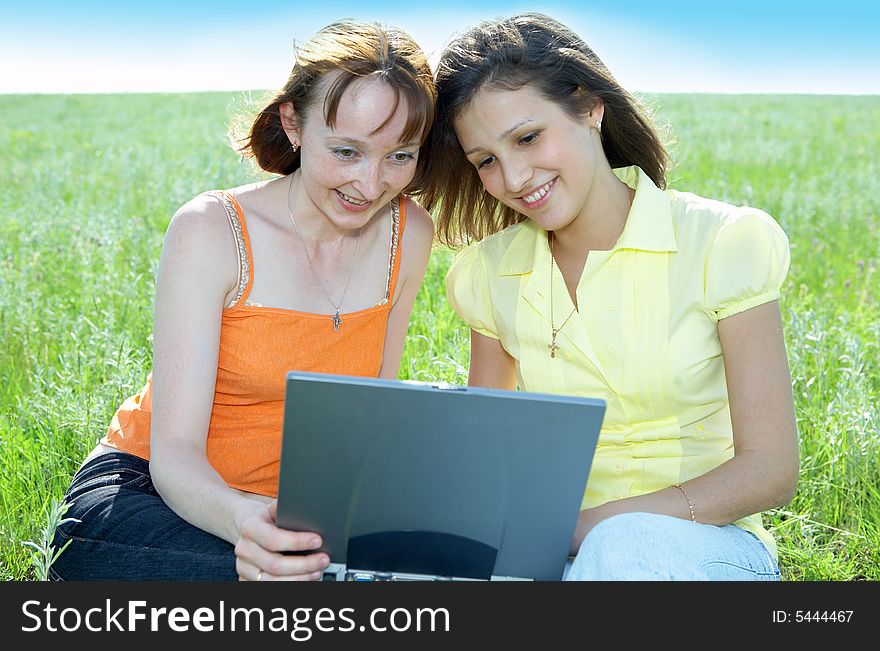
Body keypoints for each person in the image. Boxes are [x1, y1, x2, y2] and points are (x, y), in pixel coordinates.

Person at [50, 19, 437, 581]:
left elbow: (365, 419)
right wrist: (247, 524)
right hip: (152, 495)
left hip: (293, 514)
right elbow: (175, 454)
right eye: (347, 151)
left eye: (400, 156)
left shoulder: (409, 234)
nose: (371, 183)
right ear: (293, 124)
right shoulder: (210, 230)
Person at [420, 13, 799, 580]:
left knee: (623, 551)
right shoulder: (488, 274)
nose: (517, 176)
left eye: (528, 137)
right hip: (554, 554)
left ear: (590, 106)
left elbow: (770, 470)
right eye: (487, 162)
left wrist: (590, 528)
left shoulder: (722, 241)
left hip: (708, 546)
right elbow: (488, 460)